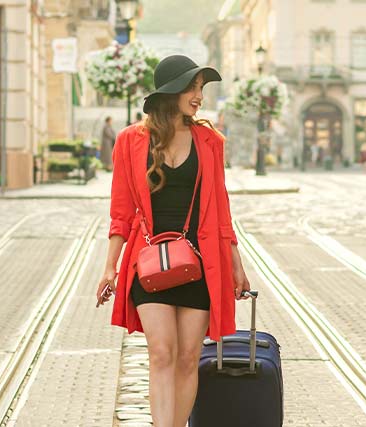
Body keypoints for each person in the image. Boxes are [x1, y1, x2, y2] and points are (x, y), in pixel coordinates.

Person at [96, 54, 251, 427]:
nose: (199, 96)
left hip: (199, 263)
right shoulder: (130, 141)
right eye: (192, 88)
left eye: (201, 88)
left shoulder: (210, 141)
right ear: (171, 91)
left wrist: (236, 264)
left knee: (187, 358)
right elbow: (121, 210)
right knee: (162, 353)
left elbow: (221, 209)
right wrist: (110, 267)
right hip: (148, 262)